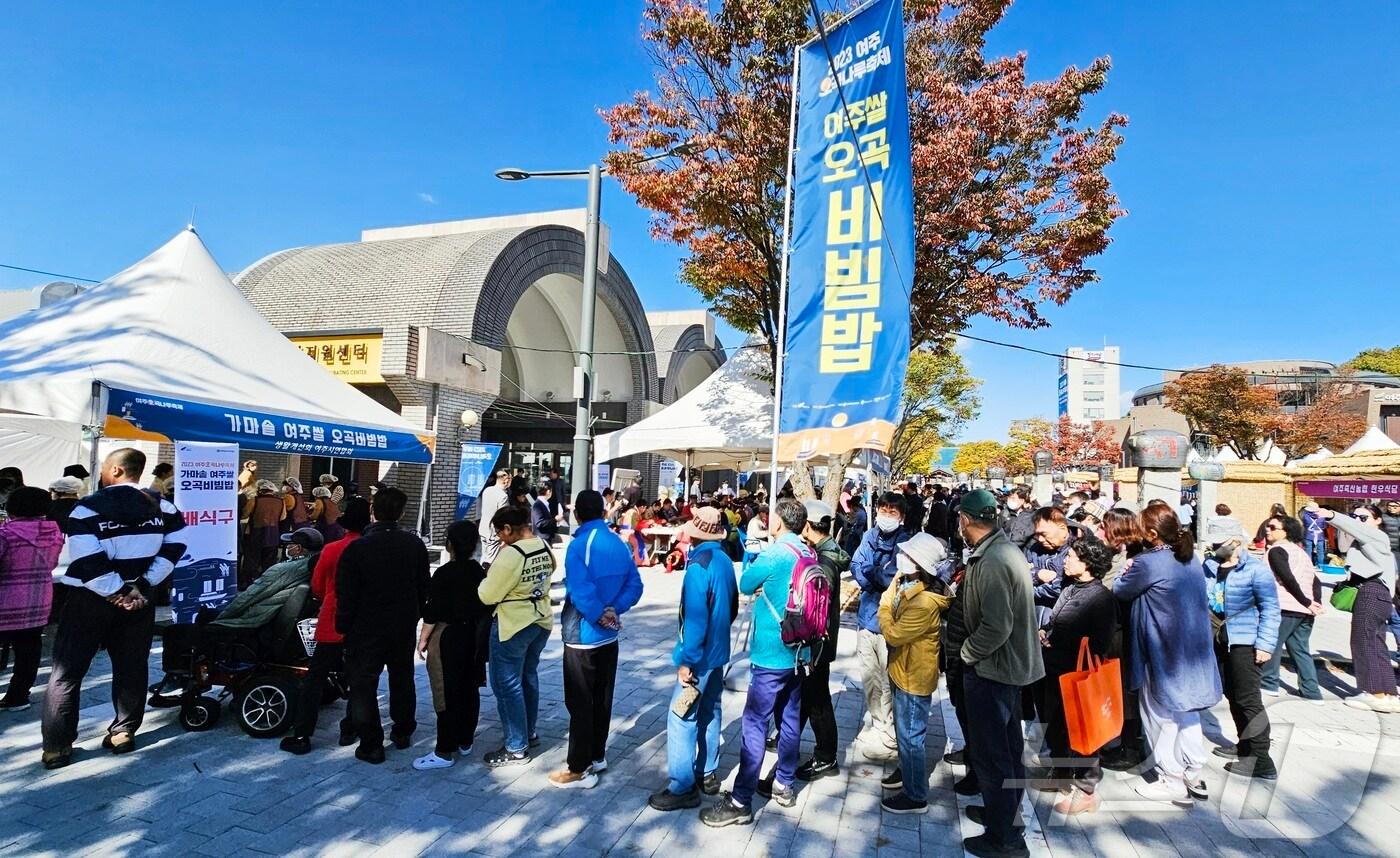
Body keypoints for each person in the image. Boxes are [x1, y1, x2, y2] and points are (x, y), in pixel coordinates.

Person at [40, 448, 186, 769]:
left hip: (90, 600)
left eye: (106, 468)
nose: (102, 474)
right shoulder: (164, 508)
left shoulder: (87, 508)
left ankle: (57, 746)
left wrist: (117, 590)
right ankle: (124, 732)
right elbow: (175, 548)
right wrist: (141, 586)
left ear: (117, 470)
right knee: (131, 665)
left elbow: (86, 559)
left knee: (67, 673)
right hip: (138, 600)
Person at [700, 498, 814, 828]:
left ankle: (740, 800)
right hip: (801, 651)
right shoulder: (807, 552)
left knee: (755, 723)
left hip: (771, 652)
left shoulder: (776, 553)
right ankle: (784, 784)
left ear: (779, 523)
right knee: (789, 719)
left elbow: (746, 582)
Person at [1113, 506, 1221, 805]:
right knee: (1187, 711)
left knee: (1158, 713)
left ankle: (1170, 778)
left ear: (1151, 533)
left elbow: (1119, 590)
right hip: (1193, 648)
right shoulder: (1190, 557)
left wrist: (1125, 571)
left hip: (1161, 649)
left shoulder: (1149, 563)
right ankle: (1193, 770)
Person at [955, 490, 1042, 858]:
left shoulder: (992, 560)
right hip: (1006, 667)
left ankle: (1003, 837)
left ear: (965, 520)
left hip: (994, 669)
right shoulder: (1000, 550)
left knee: (995, 755)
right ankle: (1000, 815)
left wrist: (966, 654)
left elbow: (996, 626)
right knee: (1007, 748)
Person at [155, 527, 323, 695]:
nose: (287, 547)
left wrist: (222, 616)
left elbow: (249, 596)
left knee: (177, 632)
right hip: (269, 617)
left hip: (255, 619)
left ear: (299, 549)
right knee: (203, 619)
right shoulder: (312, 568)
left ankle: (179, 677)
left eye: (290, 544)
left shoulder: (282, 570)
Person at [550, 490, 644, 788]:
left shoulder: (580, 545)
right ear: (604, 513)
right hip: (608, 635)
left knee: (579, 702)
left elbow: (579, 589)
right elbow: (635, 585)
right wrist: (614, 609)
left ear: (577, 514)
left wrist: (598, 613)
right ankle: (597, 755)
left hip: (583, 634)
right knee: (601, 699)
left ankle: (578, 767)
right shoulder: (617, 542)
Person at [649, 506, 738, 811]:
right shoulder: (725, 559)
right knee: (710, 709)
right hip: (718, 651)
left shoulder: (699, 566)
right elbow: (734, 604)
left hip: (700, 656)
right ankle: (708, 771)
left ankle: (682, 785)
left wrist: (686, 660)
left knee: (680, 716)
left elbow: (695, 620)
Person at [337, 487, 430, 764]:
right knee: (402, 677)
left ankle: (371, 743)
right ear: (401, 513)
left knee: (363, 684)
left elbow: (347, 593)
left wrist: (344, 626)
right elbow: (424, 585)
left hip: (365, 627)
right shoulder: (413, 545)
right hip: (402, 623)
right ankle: (402, 730)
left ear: (372, 512)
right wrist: (419, 615)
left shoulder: (357, 548)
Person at [1032, 538, 1117, 815]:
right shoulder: (1069, 588)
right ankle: (1061, 772)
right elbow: (1056, 620)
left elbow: (1100, 643)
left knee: (1083, 731)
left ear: (1088, 564)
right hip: (1054, 670)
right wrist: (1046, 632)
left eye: (1072, 557)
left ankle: (1085, 790)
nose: (1065, 560)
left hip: (1078, 675)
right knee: (1055, 725)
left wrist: (1063, 644)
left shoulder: (1101, 597)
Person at [282, 498, 372, 754]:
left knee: (315, 677)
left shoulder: (332, 550)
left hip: (332, 618)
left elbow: (318, 587)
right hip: (362, 622)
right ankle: (350, 728)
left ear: (344, 524)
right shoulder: (370, 548)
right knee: (359, 677)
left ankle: (302, 734)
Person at [878, 533, 953, 815]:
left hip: (913, 675)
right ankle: (906, 772)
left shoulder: (924, 602)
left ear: (919, 564)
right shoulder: (906, 582)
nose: (901, 559)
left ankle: (916, 794)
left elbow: (894, 633)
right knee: (905, 731)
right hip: (902, 669)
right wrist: (888, 606)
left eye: (908, 556)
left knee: (911, 735)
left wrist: (884, 612)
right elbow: (888, 601)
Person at [479, 504, 556, 767]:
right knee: (528, 676)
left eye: (500, 532)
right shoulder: (543, 546)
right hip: (540, 620)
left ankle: (515, 747)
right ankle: (529, 731)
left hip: (513, 624)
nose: (499, 538)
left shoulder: (511, 554)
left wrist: (490, 572)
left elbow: (487, 594)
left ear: (509, 529)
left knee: (506, 684)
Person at [412, 521, 493, 770]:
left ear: (449, 544)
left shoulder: (445, 573)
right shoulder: (480, 572)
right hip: (475, 637)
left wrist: (423, 638)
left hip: (449, 636)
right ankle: (465, 740)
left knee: (446, 692)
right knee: (470, 688)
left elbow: (432, 611)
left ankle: (444, 750)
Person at [1203, 531, 1280, 780]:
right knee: (1232, 693)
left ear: (1236, 541)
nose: (1215, 548)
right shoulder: (1210, 566)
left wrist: (1265, 645)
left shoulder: (1256, 570)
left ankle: (1261, 759)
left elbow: (1270, 608)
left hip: (1246, 640)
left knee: (1248, 698)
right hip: (1220, 638)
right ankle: (1245, 744)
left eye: (1220, 543)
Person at [1308, 502, 1399, 712]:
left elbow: (1353, 528)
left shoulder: (1376, 536)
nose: (1358, 521)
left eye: (1364, 517)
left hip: (1371, 592)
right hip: (1379, 595)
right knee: (1377, 645)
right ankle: (1388, 694)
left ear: (1378, 520)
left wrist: (1330, 514)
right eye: (1355, 516)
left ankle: (1373, 692)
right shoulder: (1366, 540)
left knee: (1363, 642)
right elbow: (1345, 540)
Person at [849, 492, 912, 761]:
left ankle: (890, 736)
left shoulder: (907, 541)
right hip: (866, 616)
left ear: (902, 517)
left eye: (892, 512)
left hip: (889, 622)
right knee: (869, 677)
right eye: (883, 510)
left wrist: (872, 572)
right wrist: (873, 575)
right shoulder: (869, 535)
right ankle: (877, 724)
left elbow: (893, 578)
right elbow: (855, 564)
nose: (886, 516)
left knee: (888, 681)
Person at [794, 500, 850, 783]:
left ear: (807, 526)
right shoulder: (827, 553)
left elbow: (817, 609)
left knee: (818, 699)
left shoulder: (823, 562)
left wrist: (807, 641)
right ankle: (788, 736)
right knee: (809, 694)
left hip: (817, 641)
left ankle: (826, 756)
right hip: (821, 640)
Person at [0, 488, 64, 712]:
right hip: (38, 599)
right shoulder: (54, 533)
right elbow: (53, 564)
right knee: (29, 650)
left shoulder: (5, 534)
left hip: (5, 600)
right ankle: (18, 697)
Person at [1097, 508, 1150, 772]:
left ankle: (1130, 746)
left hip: (1125, 630)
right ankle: (1115, 739)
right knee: (1114, 686)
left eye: (1104, 526)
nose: (1100, 531)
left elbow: (1112, 588)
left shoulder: (1133, 557)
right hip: (1113, 628)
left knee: (1125, 687)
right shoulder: (1117, 553)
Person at [1259, 515, 1324, 703]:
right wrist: (1314, 602)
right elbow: (1316, 581)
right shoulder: (1301, 552)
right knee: (1301, 650)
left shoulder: (1277, 551)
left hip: (1284, 606)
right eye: (1267, 526)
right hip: (1304, 612)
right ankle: (1311, 691)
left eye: (1272, 527)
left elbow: (1287, 578)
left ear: (1285, 531)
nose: (1267, 530)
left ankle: (1269, 683)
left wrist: (1305, 601)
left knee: (1272, 643)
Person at [242, 480, 286, 586]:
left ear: (260, 490)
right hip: (273, 534)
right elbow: (283, 517)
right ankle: (267, 583)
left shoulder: (254, 500)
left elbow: (245, 514)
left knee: (252, 560)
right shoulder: (281, 501)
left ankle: (248, 583)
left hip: (255, 534)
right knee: (269, 561)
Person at [478, 469, 511, 566]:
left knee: (484, 555)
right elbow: (503, 517)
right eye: (510, 479)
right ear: (506, 480)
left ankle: (480, 575)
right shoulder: (503, 496)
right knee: (491, 560)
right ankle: (486, 578)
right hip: (494, 533)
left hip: (483, 529)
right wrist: (503, 536)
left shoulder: (487, 490)